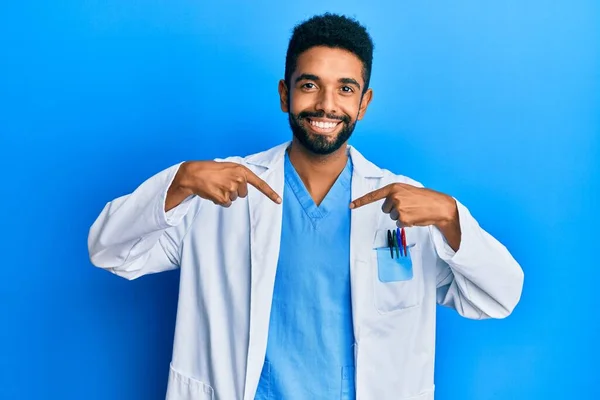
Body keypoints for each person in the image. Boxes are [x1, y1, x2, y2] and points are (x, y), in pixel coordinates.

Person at [87, 12, 524, 400]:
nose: (326, 105)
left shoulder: (405, 205)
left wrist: (451, 218)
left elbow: (499, 297)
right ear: (284, 94)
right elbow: (109, 250)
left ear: (363, 103)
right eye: (309, 85)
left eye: (345, 89)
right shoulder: (218, 193)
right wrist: (178, 181)